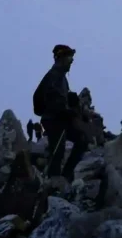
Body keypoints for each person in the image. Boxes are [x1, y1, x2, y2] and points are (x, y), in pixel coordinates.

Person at [33, 44, 88, 181]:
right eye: (70, 57)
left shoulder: (62, 78)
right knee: (58, 151)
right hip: (53, 119)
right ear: (62, 58)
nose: (72, 61)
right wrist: (65, 110)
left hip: (61, 119)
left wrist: (72, 101)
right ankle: (53, 181)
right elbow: (53, 99)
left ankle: (65, 175)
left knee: (82, 140)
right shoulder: (53, 75)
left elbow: (62, 98)